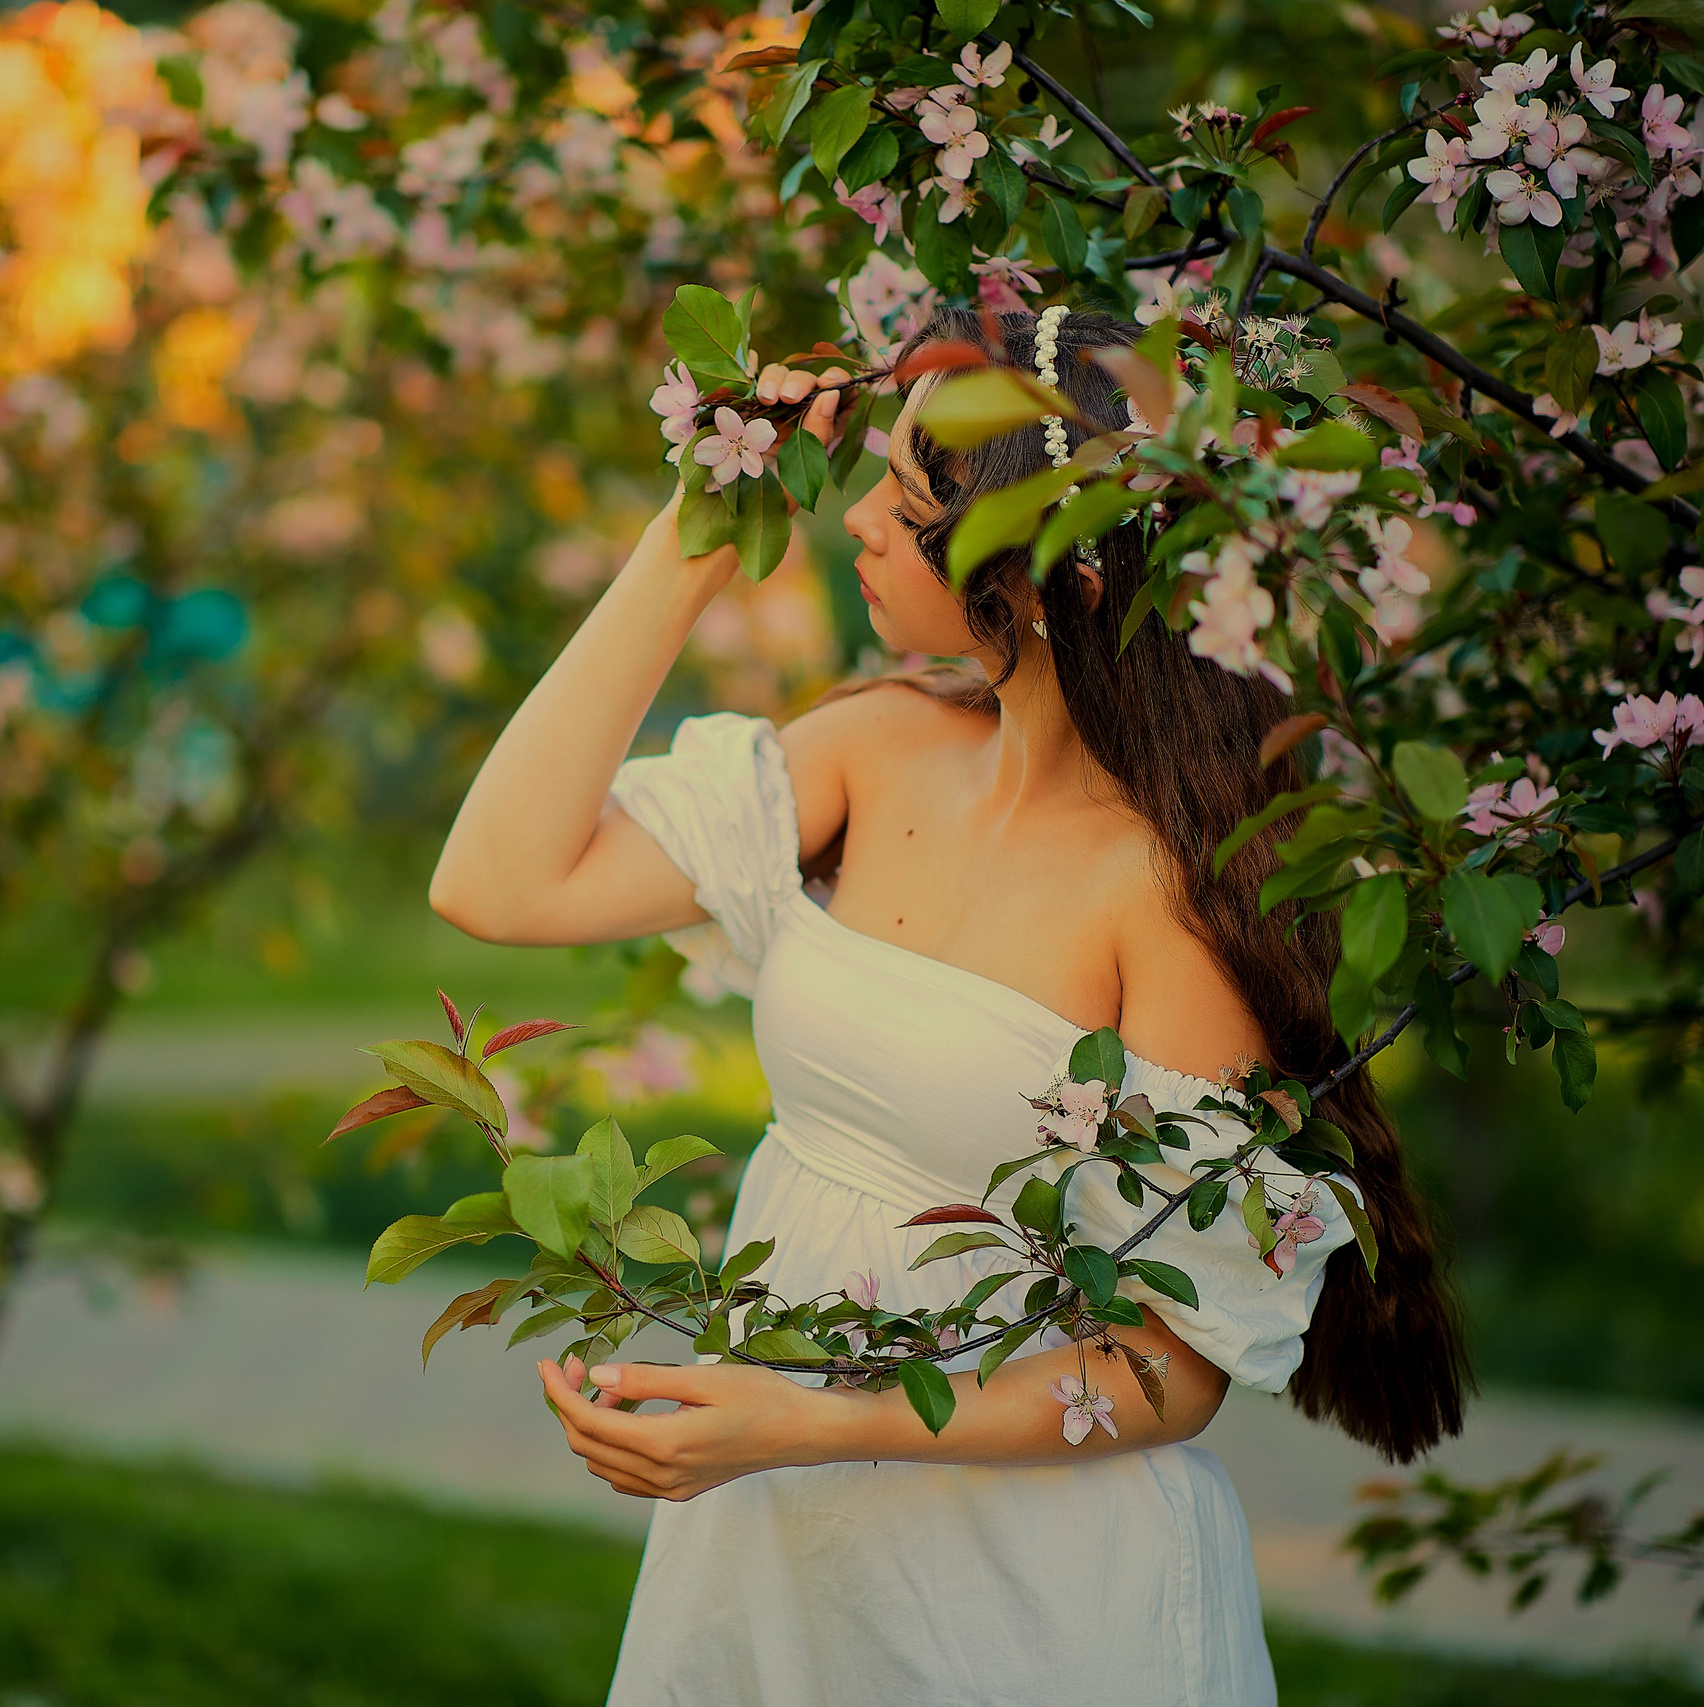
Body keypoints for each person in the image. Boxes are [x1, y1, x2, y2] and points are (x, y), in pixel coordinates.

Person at [428, 305, 1468, 1706]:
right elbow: (501, 879)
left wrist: (814, 1420)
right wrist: (692, 534)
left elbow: (1175, 1363)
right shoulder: (876, 749)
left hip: (1031, 1606)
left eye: (909, 497)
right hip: (780, 1543)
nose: (856, 515)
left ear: (1054, 584)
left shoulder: (1170, 899)